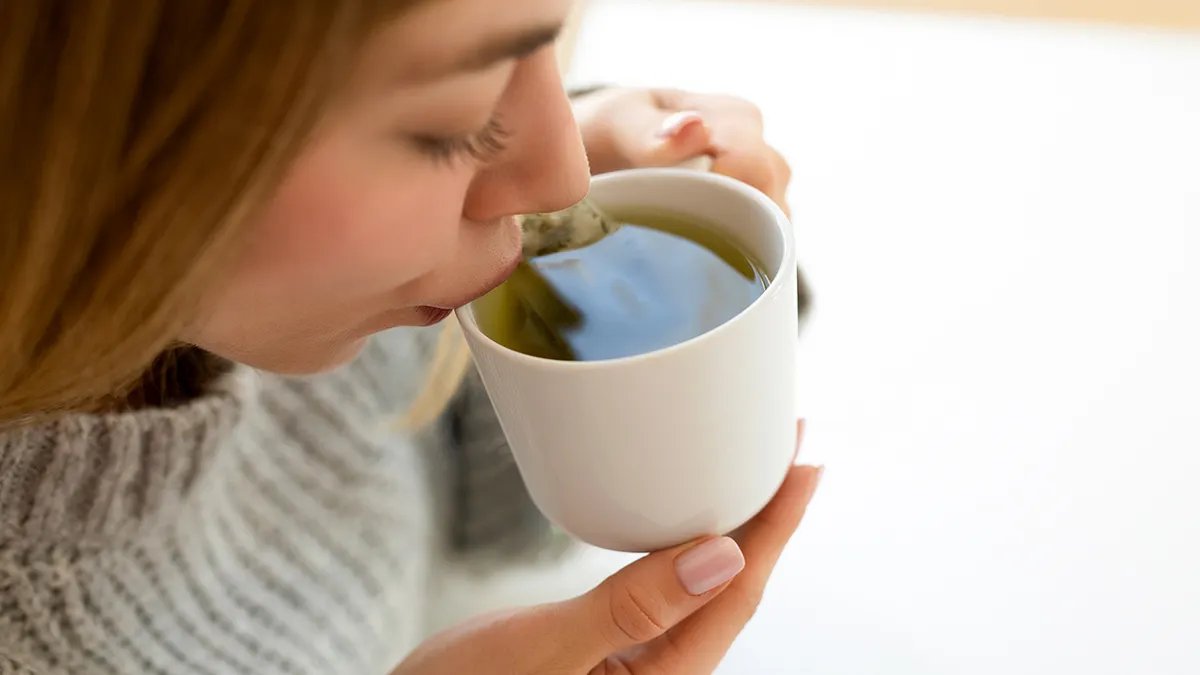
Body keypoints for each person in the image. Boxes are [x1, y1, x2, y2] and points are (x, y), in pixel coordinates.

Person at [0, 1, 821, 673]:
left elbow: (493, 515)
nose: (564, 167)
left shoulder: (303, 308)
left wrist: (599, 274)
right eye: (452, 122)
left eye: (541, 53)